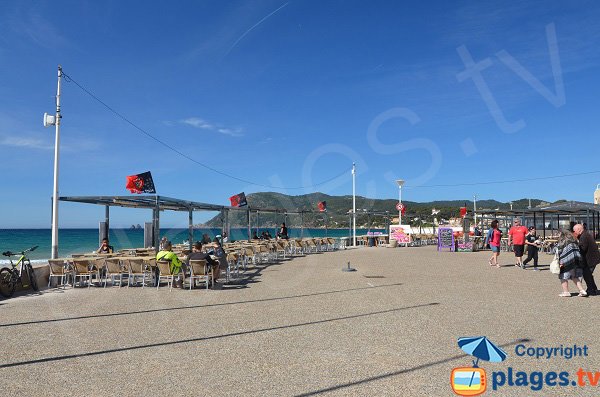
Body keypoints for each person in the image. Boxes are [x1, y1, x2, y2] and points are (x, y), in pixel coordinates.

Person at [556, 230, 587, 297]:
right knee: (574, 276)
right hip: (577, 260)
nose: (557, 235)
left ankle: (566, 292)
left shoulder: (562, 241)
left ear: (562, 234)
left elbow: (558, 251)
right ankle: (582, 291)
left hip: (567, 261)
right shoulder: (574, 241)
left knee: (563, 276)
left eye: (558, 234)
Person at [573, 223, 599, 296]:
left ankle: (591, 290)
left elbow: (582, 248)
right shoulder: (584, 234)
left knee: (587, 274)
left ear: (579, 229)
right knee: (588, 274)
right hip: (592, 258)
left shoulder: (584, 236)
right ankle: (593, 288)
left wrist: (575, 243)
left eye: (574, 230)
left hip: (591, 259)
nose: (574, 232)